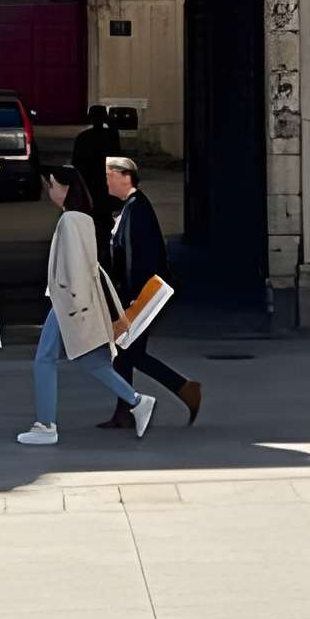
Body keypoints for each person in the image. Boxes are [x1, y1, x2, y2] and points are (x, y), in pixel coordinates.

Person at [17, 166, 154, 447]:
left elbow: (75, 268)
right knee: (92, 361)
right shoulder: (82, 218)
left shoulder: (70, 220)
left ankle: (45, 425)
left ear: (61, 186)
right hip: (75, 301)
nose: (49, 192)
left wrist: (75, 308)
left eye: (50, 186)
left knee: (45, 359)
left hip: (69, 302)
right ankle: (137, 401)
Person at [100, 155, 202, 428]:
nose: (105, 181)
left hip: (142, 294)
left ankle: (184, 388)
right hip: (136, 293)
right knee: (124, 352)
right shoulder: (129, 207)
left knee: (129, 353)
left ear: (125, 177)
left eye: (109, 175)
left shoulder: (137, 208)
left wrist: (132, 296)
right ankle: (124, 411)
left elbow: (137, 257)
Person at [69, 105, 125, 236]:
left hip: (91, 184)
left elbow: (76, 162)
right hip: (104, 184)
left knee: (94, 219)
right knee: (105, 218)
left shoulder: (84, 137)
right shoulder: (110, 136)